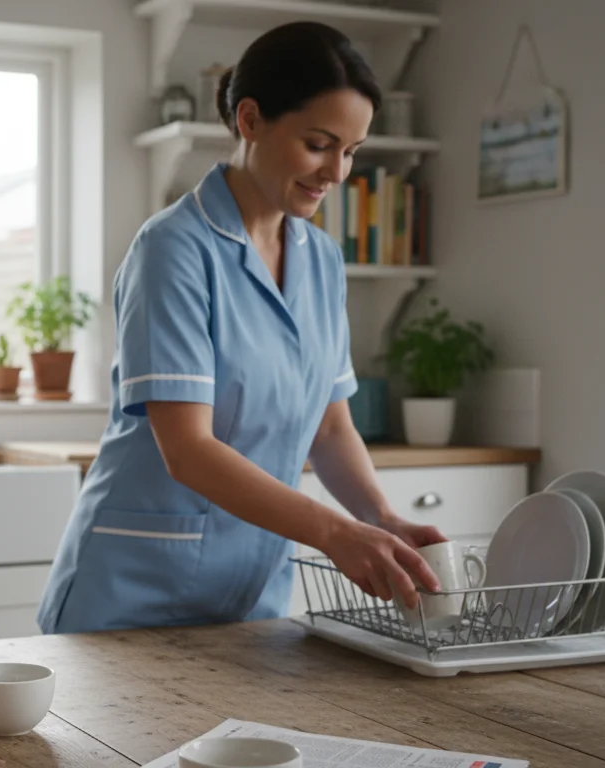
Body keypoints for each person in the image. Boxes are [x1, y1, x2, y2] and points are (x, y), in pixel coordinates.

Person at [37, 22, 448, 635]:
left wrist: (381, 516)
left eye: (352, 150)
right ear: (250, 120)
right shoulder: (173, 249)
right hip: (131, 599)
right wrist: (336, 532)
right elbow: (189, 450)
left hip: (251, 601)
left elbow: (331, 426)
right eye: (318, 143)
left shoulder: (321, 259)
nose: (337, 171)